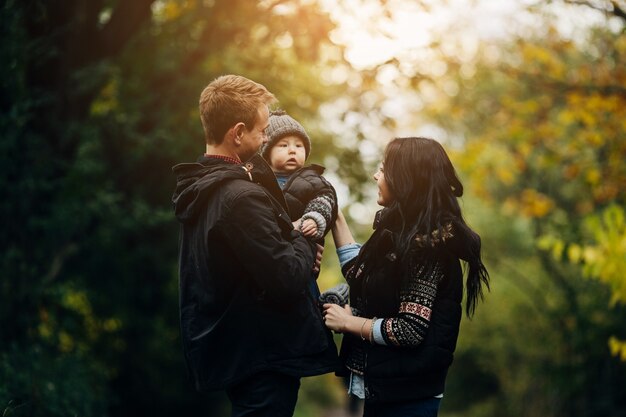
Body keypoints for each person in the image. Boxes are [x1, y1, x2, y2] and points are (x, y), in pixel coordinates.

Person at [172, 75, 338, 417]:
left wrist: (293, 243)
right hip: (262, 355)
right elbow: (288, 277)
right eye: (262, 130)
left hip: (238, 347)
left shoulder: (203, 187)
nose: (266, 137)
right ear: (237, 133)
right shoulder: (240, 198)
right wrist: (303, 236)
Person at [323, 136, 490, 417]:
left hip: (410, 397)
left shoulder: (426, 247)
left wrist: (349, 323)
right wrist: (336, 217)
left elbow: (409, 330)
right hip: (392, 388)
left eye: (383, 169)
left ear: (404, 178)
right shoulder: (399, 234)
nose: (376, 175)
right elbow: (361, 276)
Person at [260, 109, 338, 298]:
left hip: (303, 256)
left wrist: (314, 218)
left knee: (305, 297)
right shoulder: (257, 182)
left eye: (299, 146)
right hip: (270, 258)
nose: (293, 150)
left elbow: (325, 198)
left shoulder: (312, 180)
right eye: (283, 145)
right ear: (267, 153)